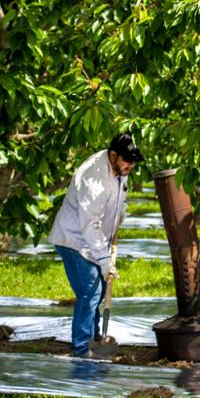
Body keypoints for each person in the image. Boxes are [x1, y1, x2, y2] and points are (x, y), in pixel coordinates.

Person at [48, 133, 144, 358]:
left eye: (133, 162)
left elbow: (119, 194)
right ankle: (82, 348)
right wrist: (103, 260)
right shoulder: (94, 179)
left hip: (94, 240)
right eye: (127, 161)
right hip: (75, 240)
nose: (131, 166)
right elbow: (89, 224)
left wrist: (120, 213)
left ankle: (94, 338)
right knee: (90, 292)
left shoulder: (118, 169)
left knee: (97, 293)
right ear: (112, 156)